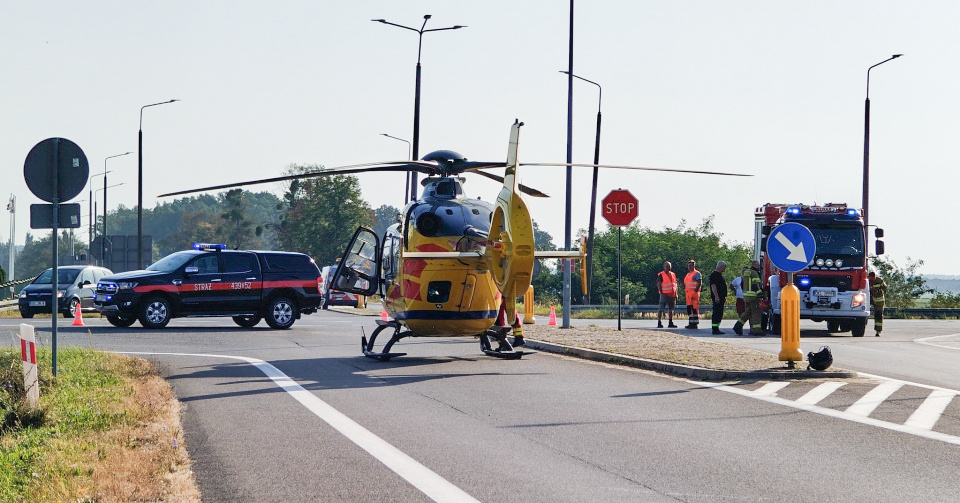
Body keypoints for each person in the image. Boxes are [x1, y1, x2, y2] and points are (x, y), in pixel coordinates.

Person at [733, 260, 764, 336]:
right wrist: (760, 294)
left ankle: (738, 325)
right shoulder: (754, 273)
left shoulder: (746, 272)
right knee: (756, 313)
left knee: (747, 312)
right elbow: (755, 285)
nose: (759, 267)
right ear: (754, 265)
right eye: (758, 266)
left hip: (746, 296)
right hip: (753, 296)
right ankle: (757, 331)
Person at [656, 261, 678, 328]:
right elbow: (659, 284)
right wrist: (661, 292)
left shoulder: (673, 274)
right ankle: (659, 322)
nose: (668, 267)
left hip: (672, 294)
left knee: (671, 309)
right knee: (661, 309)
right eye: (666, 266)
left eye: (669, 266)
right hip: (664, 294)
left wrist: (676, 294)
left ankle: (670, 322)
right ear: (664, 267)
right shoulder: (661, 274)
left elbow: (675, 284)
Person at [709, 261, 728, 334]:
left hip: (721, 297)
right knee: (717, 313)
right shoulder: (714, 275)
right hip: (718, 298)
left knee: (719, 313)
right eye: (724, 267)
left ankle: (716, 328)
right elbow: (713, 286)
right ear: (721, 267)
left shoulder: (719, 275)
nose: (725, 269)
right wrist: (716, 297)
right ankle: (715, 329)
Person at [683, 259, 703, 329]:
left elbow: (699, 282)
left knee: (694, 309)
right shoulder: (688, 274)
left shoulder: (696, 273)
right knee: (689, 310)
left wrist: (695, 290)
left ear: (694, 265)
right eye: (689, 266)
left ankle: (695, 324)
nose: (690, 267)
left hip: (694, 294)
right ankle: (691, 323)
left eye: (691, 265)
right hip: (688, 294)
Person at [868, 271, 887, 337]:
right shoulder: (867, 280)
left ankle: (878, 331)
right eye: (870, 278)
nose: (871, 280)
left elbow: (885, 288)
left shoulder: (879, 281)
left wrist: (879, 291)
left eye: (872, 278)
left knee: (878, 315)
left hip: (879, 301)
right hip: (871, 299)